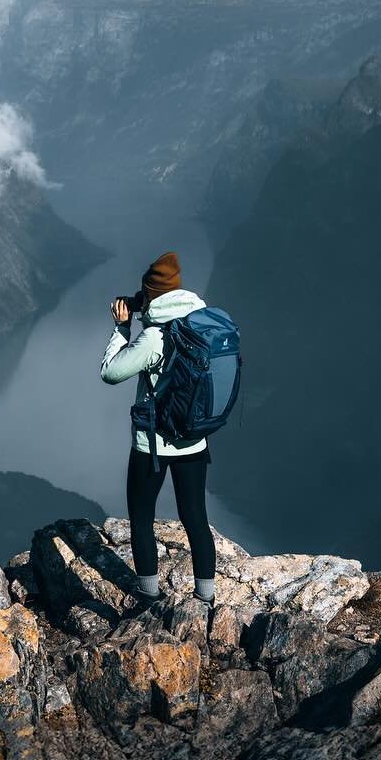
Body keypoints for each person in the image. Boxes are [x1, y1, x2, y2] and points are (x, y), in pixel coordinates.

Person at [100, 250, 218, 608]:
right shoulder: (203, 324)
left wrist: (122, 328)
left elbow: (111, 372)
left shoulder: (153, 337)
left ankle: (149, 596)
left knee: (141, 517)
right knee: (196, 518)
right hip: (194, 440)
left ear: (150, 294)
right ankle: (205, 599)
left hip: (151, 446)